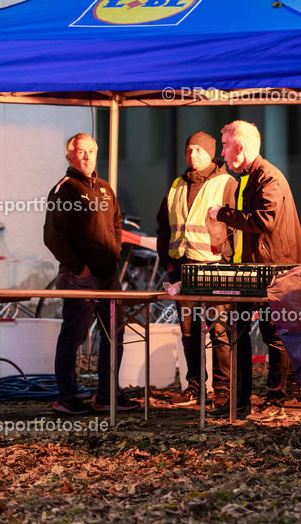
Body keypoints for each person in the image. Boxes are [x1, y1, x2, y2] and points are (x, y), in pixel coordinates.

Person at [208, 120, 301, 420]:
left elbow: (264, 221)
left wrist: (222, 214)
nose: (222, 153)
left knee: (273, 335)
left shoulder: (269, 178)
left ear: (241, 147)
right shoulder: (249, 178)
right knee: (236, 330)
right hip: (252, 270)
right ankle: (237, 404)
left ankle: (276, 401)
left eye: (225, 145)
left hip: (273, 272)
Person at [44, 133, 137, 414]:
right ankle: (66, 396)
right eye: (80, 152)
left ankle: (106, 396)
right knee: (74, 337)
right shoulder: (65, 189)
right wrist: (78, 267)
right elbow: (52, 236)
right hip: (79, 277)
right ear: (69, 157)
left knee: (114, 335)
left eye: (90, 151)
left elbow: (117, 221)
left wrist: (115, 251)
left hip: (108, 277)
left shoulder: (105, 189)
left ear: (97, 153)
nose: (86, 156)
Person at [155, 132, 238, 408]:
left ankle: (223, 390)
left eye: (198, 151)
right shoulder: (178, 184)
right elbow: (164, 227)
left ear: (210, 154)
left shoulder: (227, 183)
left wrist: (229, 264)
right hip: (183, 271)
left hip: (216, 270)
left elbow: (237, 228)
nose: (192, 155)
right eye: (189, 150)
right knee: (189, 331)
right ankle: (194, 387)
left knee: (220, 330)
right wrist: (169, 265)